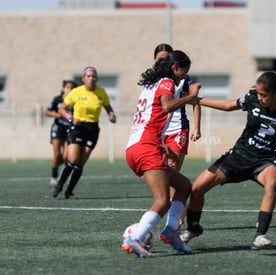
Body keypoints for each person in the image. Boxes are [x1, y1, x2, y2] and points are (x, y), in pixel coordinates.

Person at [180, 72, 276, 250]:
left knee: (272, 183)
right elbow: (228, 105)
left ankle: (259, 236)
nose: (259, 97)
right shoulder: (252, 98)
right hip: (238, 156)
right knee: (196, 189)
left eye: (263, 95)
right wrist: (198, 100)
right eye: (258, 93)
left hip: (266, 160)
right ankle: (193, 228)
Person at [122, 50, 200, 258]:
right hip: (146, 145)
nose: (184, 77)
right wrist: (191, 97)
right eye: (184, 72)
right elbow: (166, 107)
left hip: (138, 145)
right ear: (175, 67)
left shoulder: (151, 83)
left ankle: (171, 231)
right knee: (162, 201)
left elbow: (153, 114)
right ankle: (135, 238)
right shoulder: (167, 81)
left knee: (184, 186)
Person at [153, 43, 202, 229]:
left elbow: (195, 101)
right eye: (160, 58)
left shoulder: (183, 79)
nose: (163, 62)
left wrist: (197, 127)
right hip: (158, 131)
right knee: (160, 173)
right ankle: (182, 207)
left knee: (172, 170)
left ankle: (173, 219)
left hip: (177, 130)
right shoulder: (154, 80)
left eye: (167, 58)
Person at [51, 66, 117, 199]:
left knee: (80, 163)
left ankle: (69, 192)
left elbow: (108, 107)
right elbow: (62, 109)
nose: (91, 79)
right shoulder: (76, 92)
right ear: (83, 78)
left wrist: (111, 115)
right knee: (73, 158)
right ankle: (59, 185)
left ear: (96, 78)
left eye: (94, 76)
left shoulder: (101, 92)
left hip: (92, 129)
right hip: (77, 128)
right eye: (89, 76)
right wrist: (71, 118)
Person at [44, 80, 77, 185]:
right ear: (63, 88)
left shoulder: (75, 101)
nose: (69, 90)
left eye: (71, 88)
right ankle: (54, 175)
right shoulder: (57, 99)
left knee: (66, 156)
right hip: (58, 128)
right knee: (57, 154)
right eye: (67, 87)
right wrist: (56, 115)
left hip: (70, 129)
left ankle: (59, 168)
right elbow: (47, 111)